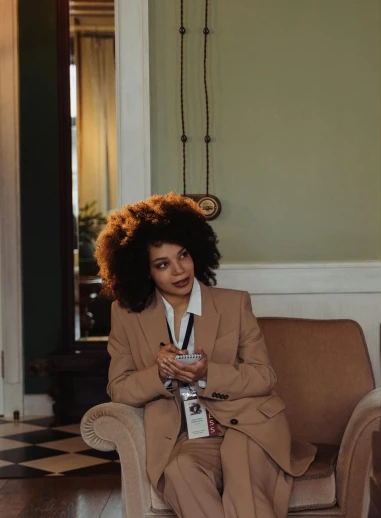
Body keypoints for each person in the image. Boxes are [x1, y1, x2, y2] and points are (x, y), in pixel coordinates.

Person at [95, 193, 315, 518]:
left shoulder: (234, 304)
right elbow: (120, 388)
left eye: (183, 255)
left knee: (244, 482)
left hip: (248, 424)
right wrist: (158, 374)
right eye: (162, 264)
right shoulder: (126, 315)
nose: (179, 269)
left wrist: (208, 373)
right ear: (144, 271)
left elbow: (264, 376)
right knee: (180, 472)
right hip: (192, 434)